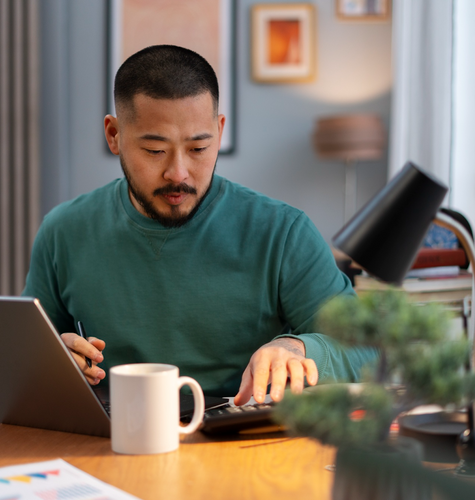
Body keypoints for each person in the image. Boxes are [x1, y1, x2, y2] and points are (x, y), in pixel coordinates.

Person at [23, 45, 374, 406]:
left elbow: (366, 349)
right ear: (114, 135)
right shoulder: (63, 231)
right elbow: (24, 355)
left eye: (198, 149)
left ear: (219, 133)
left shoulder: (283, 232)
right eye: (155, 151)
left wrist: (297, 346)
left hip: (239, 438)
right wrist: (55, 358)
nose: (178, 173)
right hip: (111, 435)